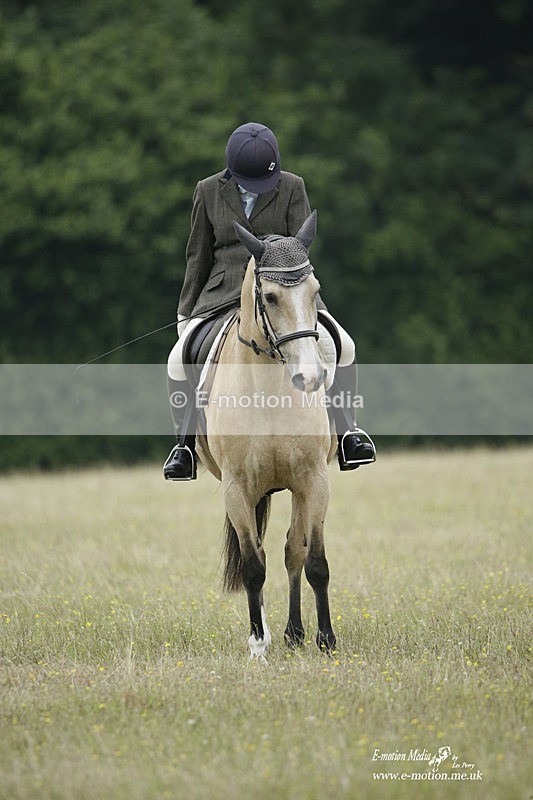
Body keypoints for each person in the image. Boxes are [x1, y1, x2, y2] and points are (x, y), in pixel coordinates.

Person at [164, 122, 376, 480]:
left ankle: (348, 432)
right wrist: (186, 312)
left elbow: (300, 250)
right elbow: (197, 256)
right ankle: (183, 446)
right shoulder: (208, 191)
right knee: (176, 360)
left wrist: (309, 302)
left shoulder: (293, 186)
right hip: (223, 296)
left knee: (346, 346)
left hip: (284, 294)